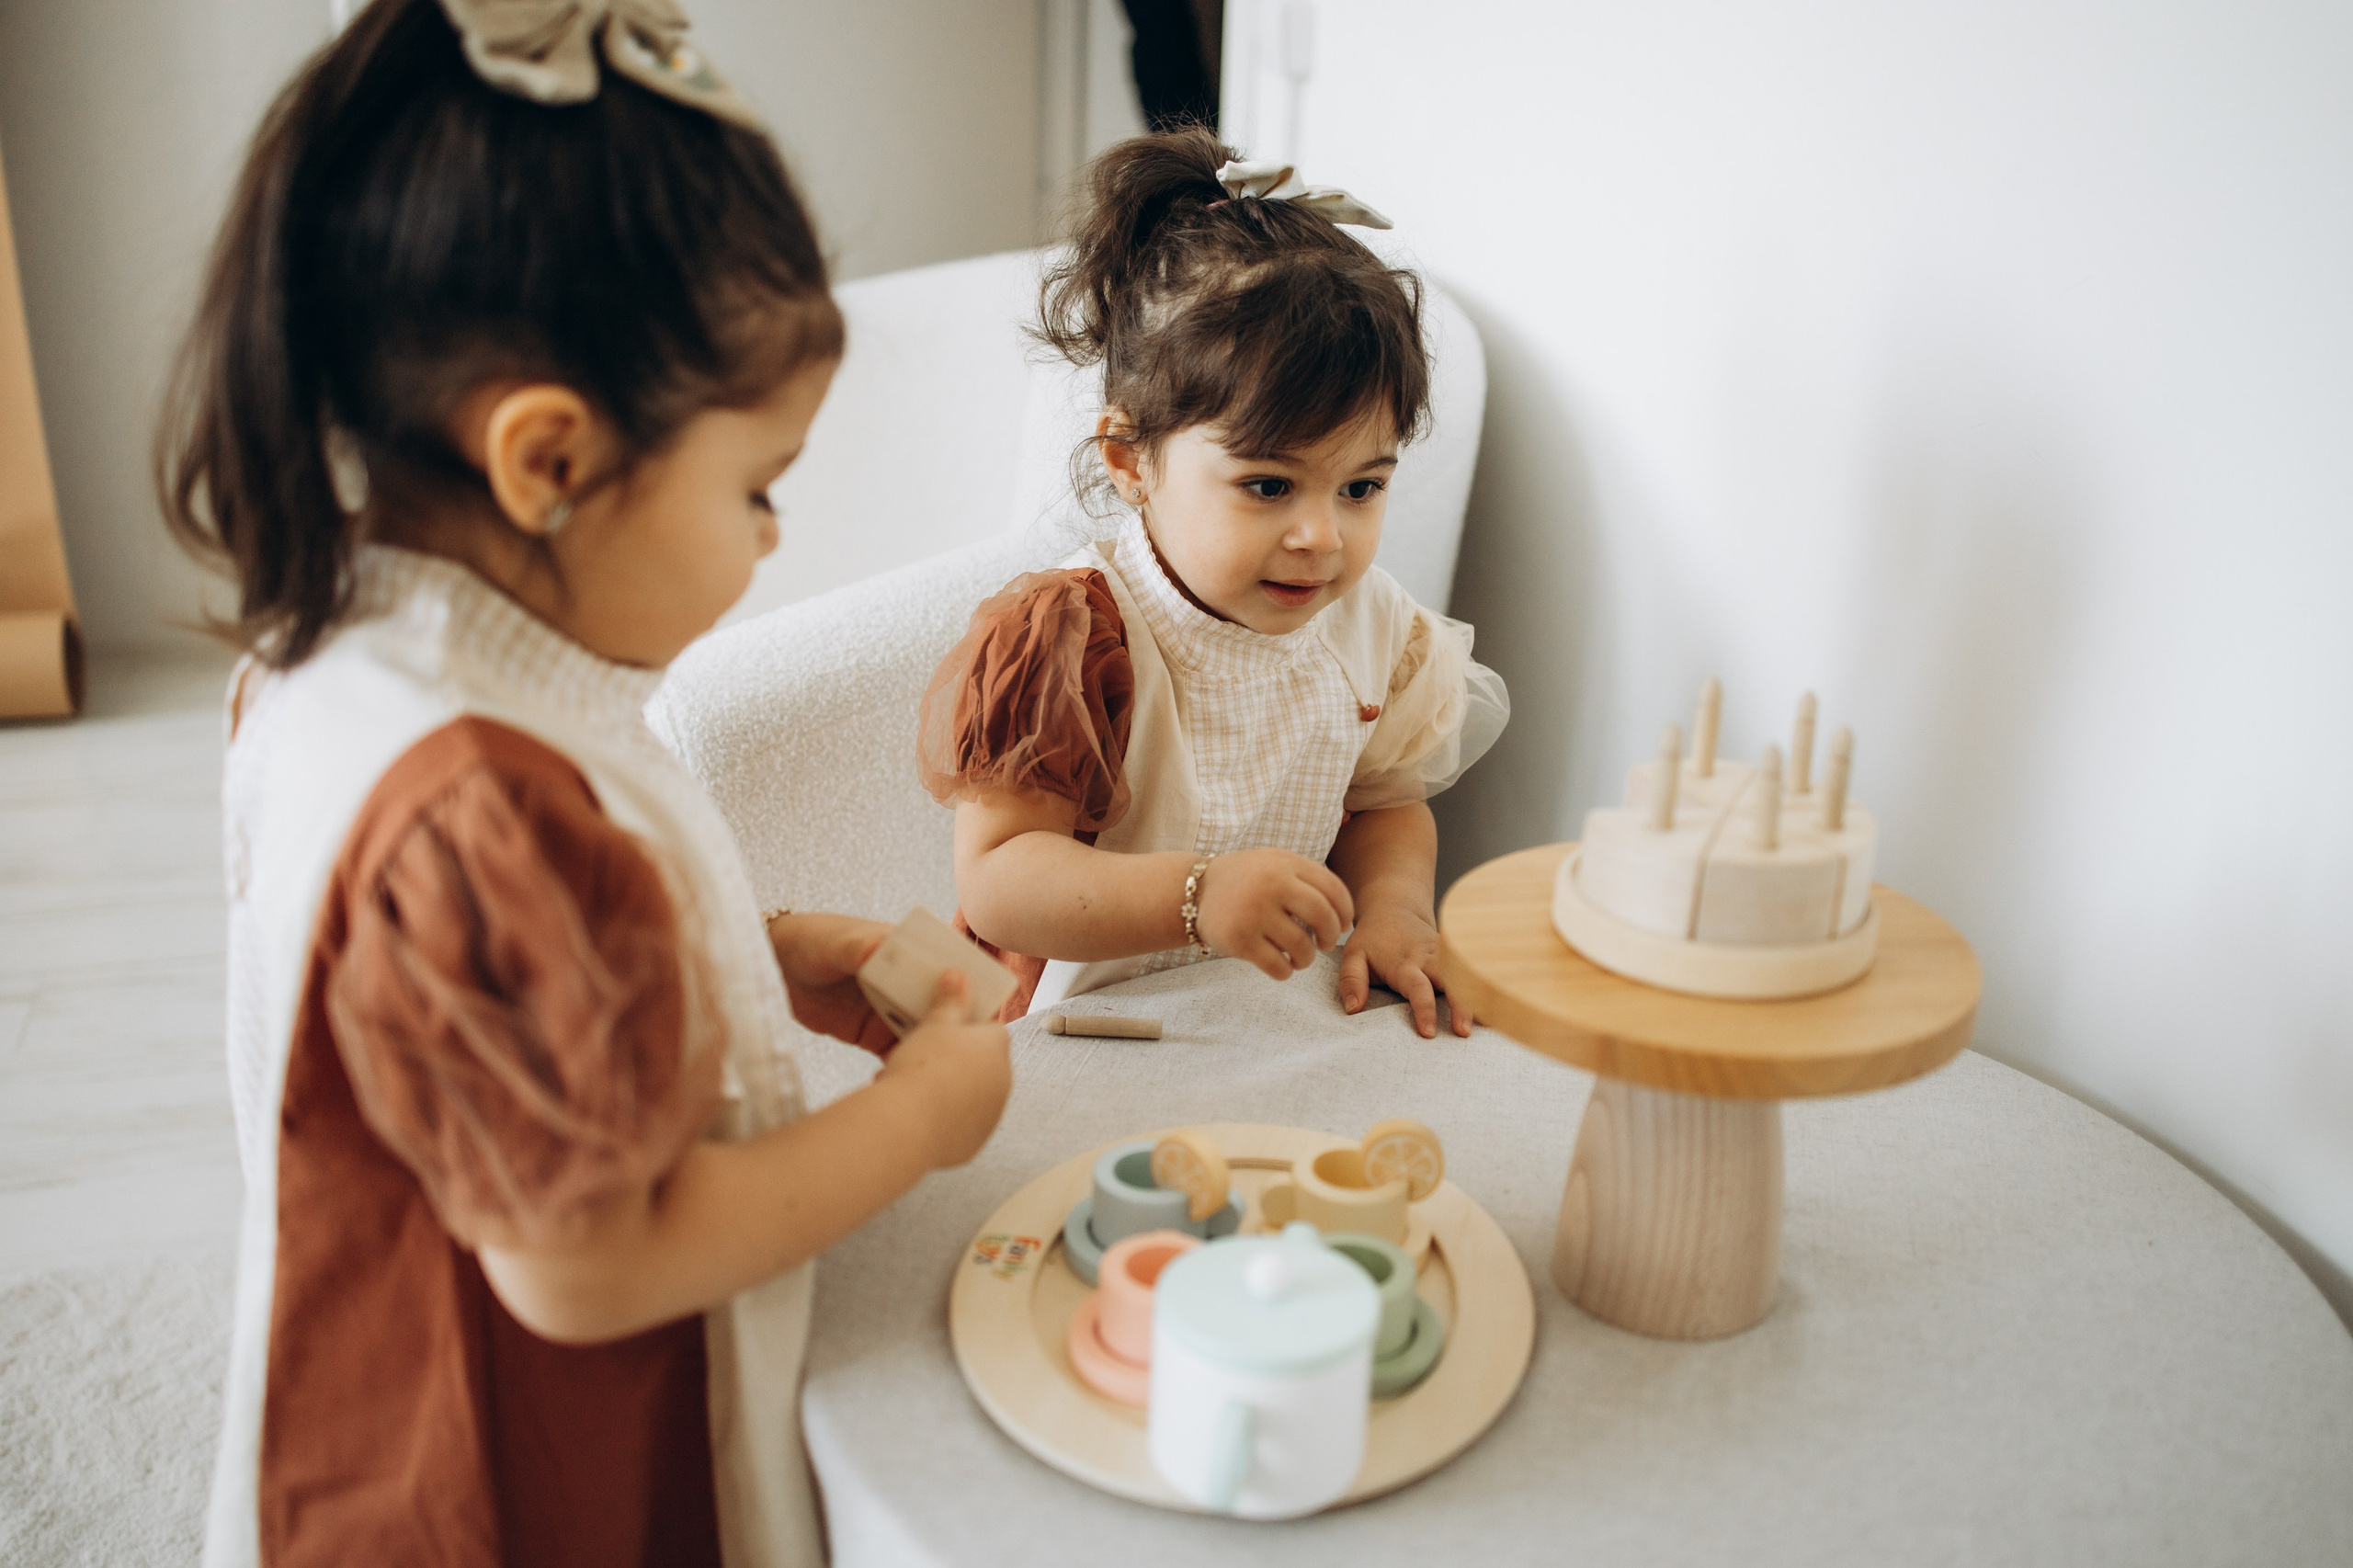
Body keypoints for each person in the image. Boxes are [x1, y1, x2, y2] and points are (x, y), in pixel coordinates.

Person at [159, 4, 1010, 1563]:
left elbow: (481, 1012)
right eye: (757, 485)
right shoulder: (481, 808)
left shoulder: (342, 658)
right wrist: (917, 1120)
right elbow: (591, 1268)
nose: (773, 538)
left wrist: (759, 952)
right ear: (547, 463)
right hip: (509, 1484)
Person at [919, 127, 1508, 1040]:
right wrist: (1197, 893)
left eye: (1362, 486)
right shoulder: (1075, 635)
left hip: (1241, 1010)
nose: (1320, 535)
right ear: (1129, 459)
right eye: (1268, 485)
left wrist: (1395, 909)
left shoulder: (1375, 625)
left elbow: (1383, 804)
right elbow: (998, 879)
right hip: (1068, 1019)